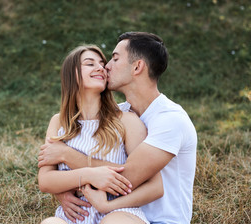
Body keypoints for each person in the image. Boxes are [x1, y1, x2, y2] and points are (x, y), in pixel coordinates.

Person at [38, 32, 197, 224]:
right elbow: (47, 179)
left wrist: (66, 157)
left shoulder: (170, 120)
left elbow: (125, 177)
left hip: (157, 220)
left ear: (137, 67)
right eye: (92, 63)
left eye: (114, 58)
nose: (105, 67)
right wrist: (62, 192)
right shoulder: (118, 113)